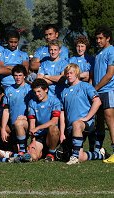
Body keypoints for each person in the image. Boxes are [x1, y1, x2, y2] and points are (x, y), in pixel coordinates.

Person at [60, 64, 103, 165]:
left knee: (77, 123)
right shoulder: (64, 91)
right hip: (71, 128)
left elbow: (97, 101)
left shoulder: (86, 86)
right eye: (67, 73)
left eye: (71, 73)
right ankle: (99, 155)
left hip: (85, 123)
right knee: (81, 156)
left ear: (77, 74)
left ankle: (74, 157)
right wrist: (62, 133)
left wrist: (87, 117)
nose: (68, 75)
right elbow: (63, 112)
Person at [91, 26, 114, 163]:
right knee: (98, 120)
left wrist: (96, 87)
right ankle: (98, 149)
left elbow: (110, 74)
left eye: (101, 38)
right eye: (97, 38)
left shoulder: (112, 51)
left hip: (108, 90)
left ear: (108, 38)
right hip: (98, 91)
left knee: (110, 119)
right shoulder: (99, 53)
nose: (98, 41)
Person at [27, 78, 62, 162]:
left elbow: (54, 121)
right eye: (35, 92)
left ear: (46, 90)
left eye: (39, 91)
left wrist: (38, 128)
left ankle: (51, 154)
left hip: (51, 135)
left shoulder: (54, 101)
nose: (37, 94)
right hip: (39, 136)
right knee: (33, 157)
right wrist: (33, 141)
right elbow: (32, 124)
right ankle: (41, 152)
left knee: (53, 128)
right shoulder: (32, 102)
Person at [0, 65, 32, 153]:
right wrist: (3, 129)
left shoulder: (29, 90)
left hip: (25, 123)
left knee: (19, 125)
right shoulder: (9, 89)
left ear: (24, 76)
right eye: (16, 75)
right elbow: (6, 110)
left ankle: (23, 150)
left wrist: (27, 117)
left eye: (20, 75)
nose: (18, 78)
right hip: (12, 125)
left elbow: (33, 107)